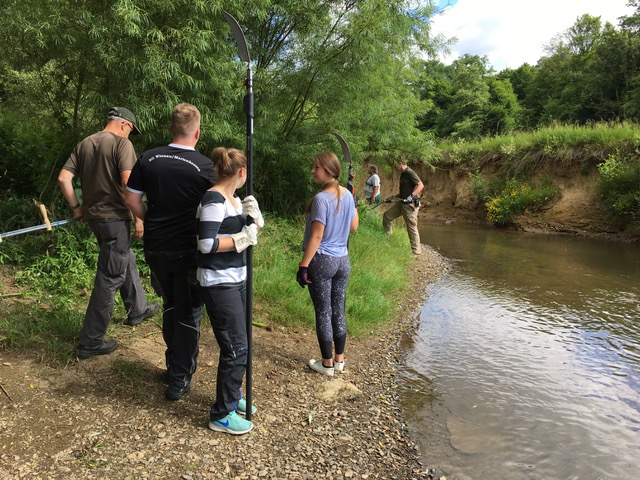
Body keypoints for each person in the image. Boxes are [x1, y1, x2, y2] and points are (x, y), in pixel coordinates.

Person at [125, 103, 216, 401]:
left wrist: (149, 215)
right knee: (189, 311)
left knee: (170, 306)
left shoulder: (148, 158)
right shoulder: (205, 167)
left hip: (156, 247)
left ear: (170, 129)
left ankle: (172, 364)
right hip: (189, 250)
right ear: (197, 132)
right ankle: (179, 377)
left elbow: (132, 198)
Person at [58, 106, 159, 360]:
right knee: (109, 276)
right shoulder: (121, 145)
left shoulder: (85, 143)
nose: (130, 136)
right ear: (125, 125)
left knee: (124, 258)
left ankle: (138, 309)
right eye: (131, 131)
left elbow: (63, 179)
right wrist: (140, 217)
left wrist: (77, 208)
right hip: (115, 218)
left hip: (95, 218)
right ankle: (91, 342)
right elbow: (129, 183)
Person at [196, 147, 263, 435]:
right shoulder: (213, 199)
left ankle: (234, 397)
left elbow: (250, 232)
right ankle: (221, 414)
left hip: (238, 277)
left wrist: (255, 220)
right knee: (236, 347)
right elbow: (206, 244)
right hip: (218, 281)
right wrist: (240, 239)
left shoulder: (235, 200)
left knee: (243, 339)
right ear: (241, 172)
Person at [297, 151, 359, 377]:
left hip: (322, 260)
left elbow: (316, 236)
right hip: (343, 261)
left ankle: (327, 364)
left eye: (317, 168)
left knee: (324, 312)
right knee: (338, 310)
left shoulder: (321, 199)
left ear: (330, 171)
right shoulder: (347, 194)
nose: (313, 171)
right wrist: (354, 203)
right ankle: (340, 361)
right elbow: (353, 227)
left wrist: (304, 265)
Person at [382, 160, 424, 256]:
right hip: (402, 202)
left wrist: (412, 196)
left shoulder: (410, 172)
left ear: (400, 163)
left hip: (410, 205)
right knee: (387, 216)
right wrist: (393, 197)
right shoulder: (403, 174)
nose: (395, 167)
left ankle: (416, 252)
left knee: (411, 227)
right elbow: (404, 192)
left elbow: (420, 185)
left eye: (396, 164)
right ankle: (388, 238)